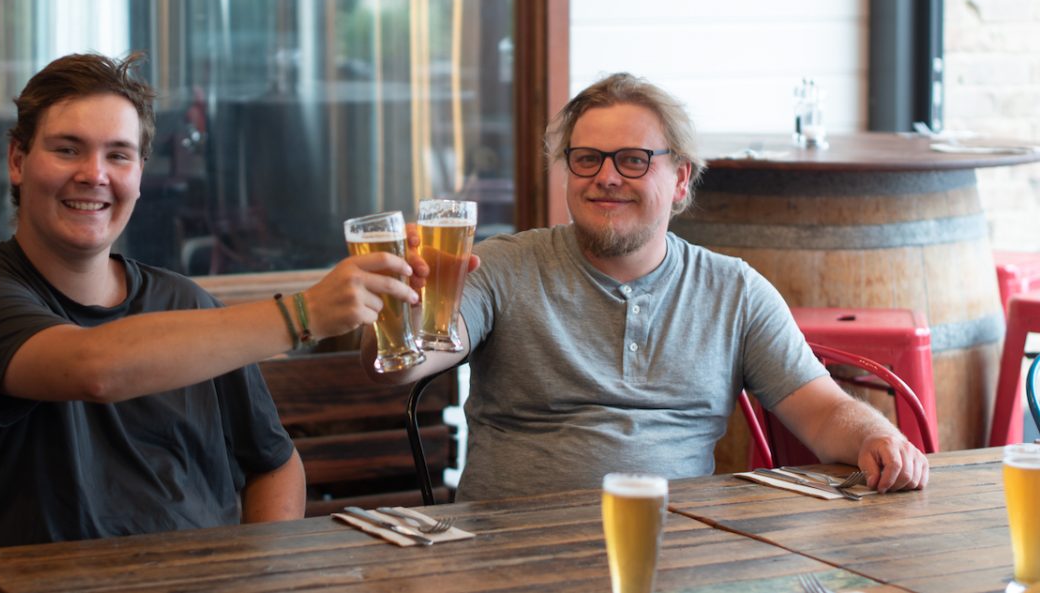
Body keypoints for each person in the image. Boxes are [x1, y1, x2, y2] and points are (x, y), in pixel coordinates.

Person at [0, 52, 419, 552]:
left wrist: (261, 574)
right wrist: (303, 315)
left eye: (118, 155)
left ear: (139, 174)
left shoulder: (186, 303)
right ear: (17, 160)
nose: (95, 174)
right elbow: (94, 367)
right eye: (68, 150)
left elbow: (274, 464)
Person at [365, 72, 929, 500]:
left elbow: (826, 413)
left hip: (672, 551)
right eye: (586, 159)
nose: (605, 177)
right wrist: (404, 304)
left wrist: (875, 438)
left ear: (680, 178)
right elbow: (399, 365)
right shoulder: (501, 267)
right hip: (510, 556)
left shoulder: (734, 291)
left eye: (633, 160)